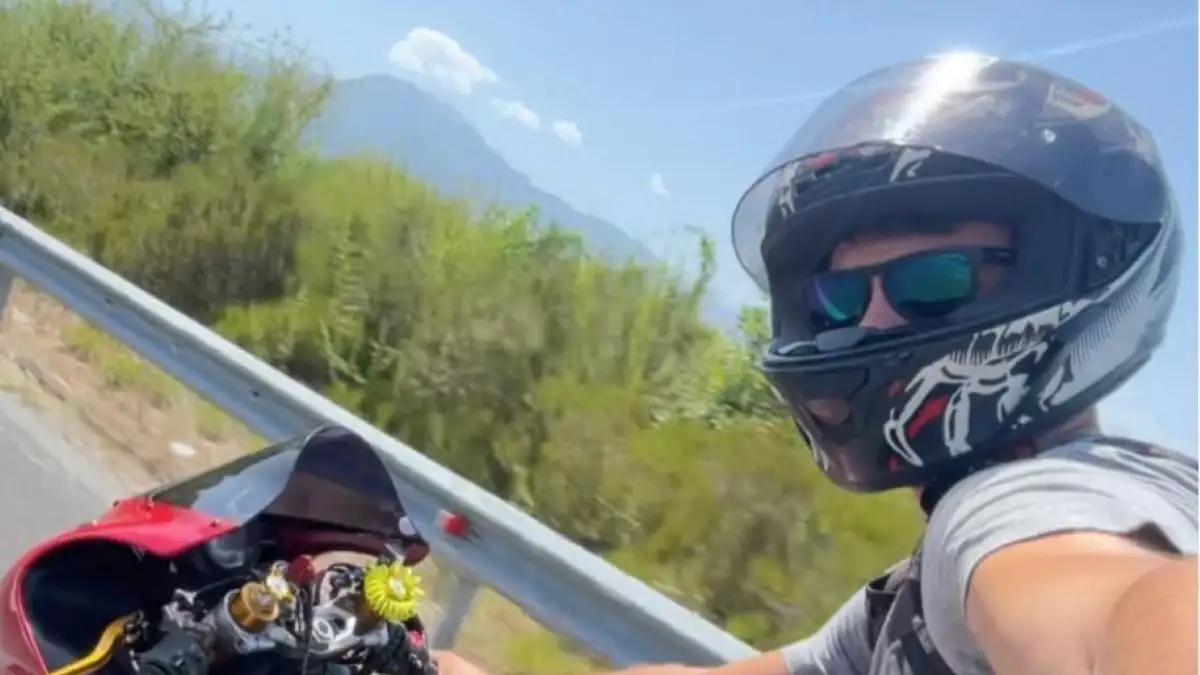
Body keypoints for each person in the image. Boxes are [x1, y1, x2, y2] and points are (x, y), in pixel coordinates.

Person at [434, 52, 1198, 675]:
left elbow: (1124, 608)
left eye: (931, 284)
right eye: (838, 299)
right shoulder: (915, 601)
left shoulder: (1022, 508)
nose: (870, 325)